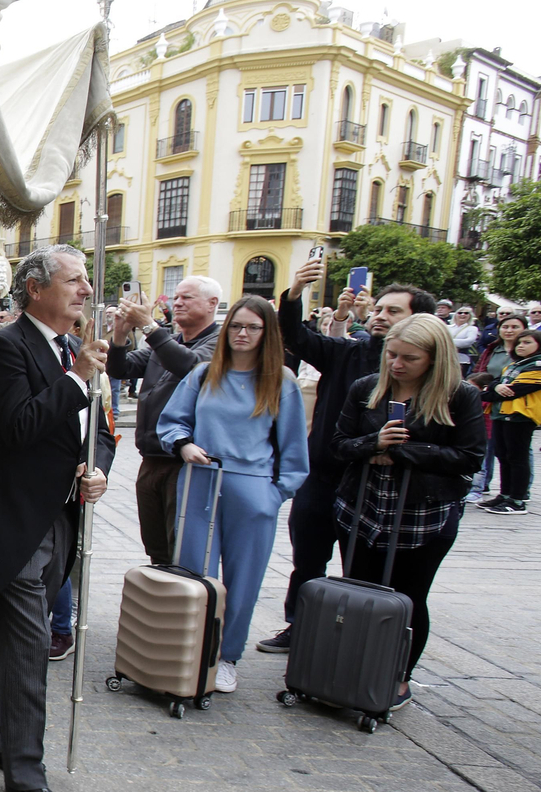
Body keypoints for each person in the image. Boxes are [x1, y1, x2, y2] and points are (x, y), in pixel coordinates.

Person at [0, 245, 113, 792]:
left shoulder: (72, 349)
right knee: (29, 644)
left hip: (58, 512)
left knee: (11, 631)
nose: (85, 290)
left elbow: (84, 430)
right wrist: (76, 379)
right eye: (73, 280)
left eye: (85, 281)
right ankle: (26, 774)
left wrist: (92, 467)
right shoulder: (6, 346)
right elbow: (20, 427)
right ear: (35, 289)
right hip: (13, 517)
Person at [256, 258, 436, 655]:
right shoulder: (346, 353)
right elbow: (295, 337)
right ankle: (298, 625)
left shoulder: (431, 380)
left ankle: (353, 640)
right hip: (322, 476)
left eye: (393, 311)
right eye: (379, 309)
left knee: (363, 571)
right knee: (308, 559)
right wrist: (296, 292)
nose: (380, 316)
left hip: (376, 486)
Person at [156, 296, 309, 693]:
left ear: (266, 333)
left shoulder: (281, 382)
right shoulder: (205, 374)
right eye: (236, 326)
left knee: (243, 580)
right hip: (201, 481)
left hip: (252, 488)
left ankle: (227, 657)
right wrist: (183, 445)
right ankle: (189, 651)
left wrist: (275, 494)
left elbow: (294, 451)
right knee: (193, 571)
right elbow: (172, 421)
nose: (242, 334)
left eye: (252, 327)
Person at [331, 314, 483, 708]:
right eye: (392, 355)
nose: (396, 364)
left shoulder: (459, 395)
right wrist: (373, 444)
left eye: (409, 358)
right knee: (359, 590)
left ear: (434, 359)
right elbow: (340, 443)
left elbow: (469, 457)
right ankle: (352, 671)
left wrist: (403, 452)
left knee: (409, 596)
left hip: (424, 514)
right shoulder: (367, 388)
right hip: (364, 506)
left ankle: (398, 676)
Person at [105, 275, 223, 566]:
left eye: (187, 297)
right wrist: (120, 336)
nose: (178, 302)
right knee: (157, 548)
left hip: (184, 462)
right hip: (152, 459)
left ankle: (182, 605)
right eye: (177, 297)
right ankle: (159, 603)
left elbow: (191, 367)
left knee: (182, 549)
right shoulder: (169, 339)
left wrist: (149, 326)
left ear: (212, 304)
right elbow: (122, 368)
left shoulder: (220, 343)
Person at [478, 327, 541, 514]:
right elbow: (496, 384)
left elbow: (514, 391)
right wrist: (496, 388)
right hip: (500, 414)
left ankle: (517, 500)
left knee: (517, 457)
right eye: (520, 342)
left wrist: (493, 391)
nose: (521, 346)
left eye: (528, 342)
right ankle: (505, 495)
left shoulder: (537, 365)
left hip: (520, 416)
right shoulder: (513, 366)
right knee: (503, 455)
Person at [451, 307, 480, 376]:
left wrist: (448, 341)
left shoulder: (472, 328)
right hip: (447, 356)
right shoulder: (447, 327)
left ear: (470, 316)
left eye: (466, 313)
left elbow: (468, 342)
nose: (463, 314)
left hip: (462, 358)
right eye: (460, 313)